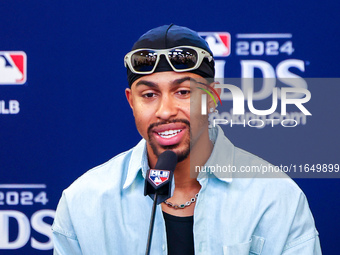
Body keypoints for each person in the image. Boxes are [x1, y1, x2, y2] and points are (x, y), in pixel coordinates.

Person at [52, 24, 322, 255]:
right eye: (149, 95)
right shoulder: (83, 202)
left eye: (182, 92)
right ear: (130, 102)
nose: (165, 110)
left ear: (213, 98)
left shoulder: (275, 197)